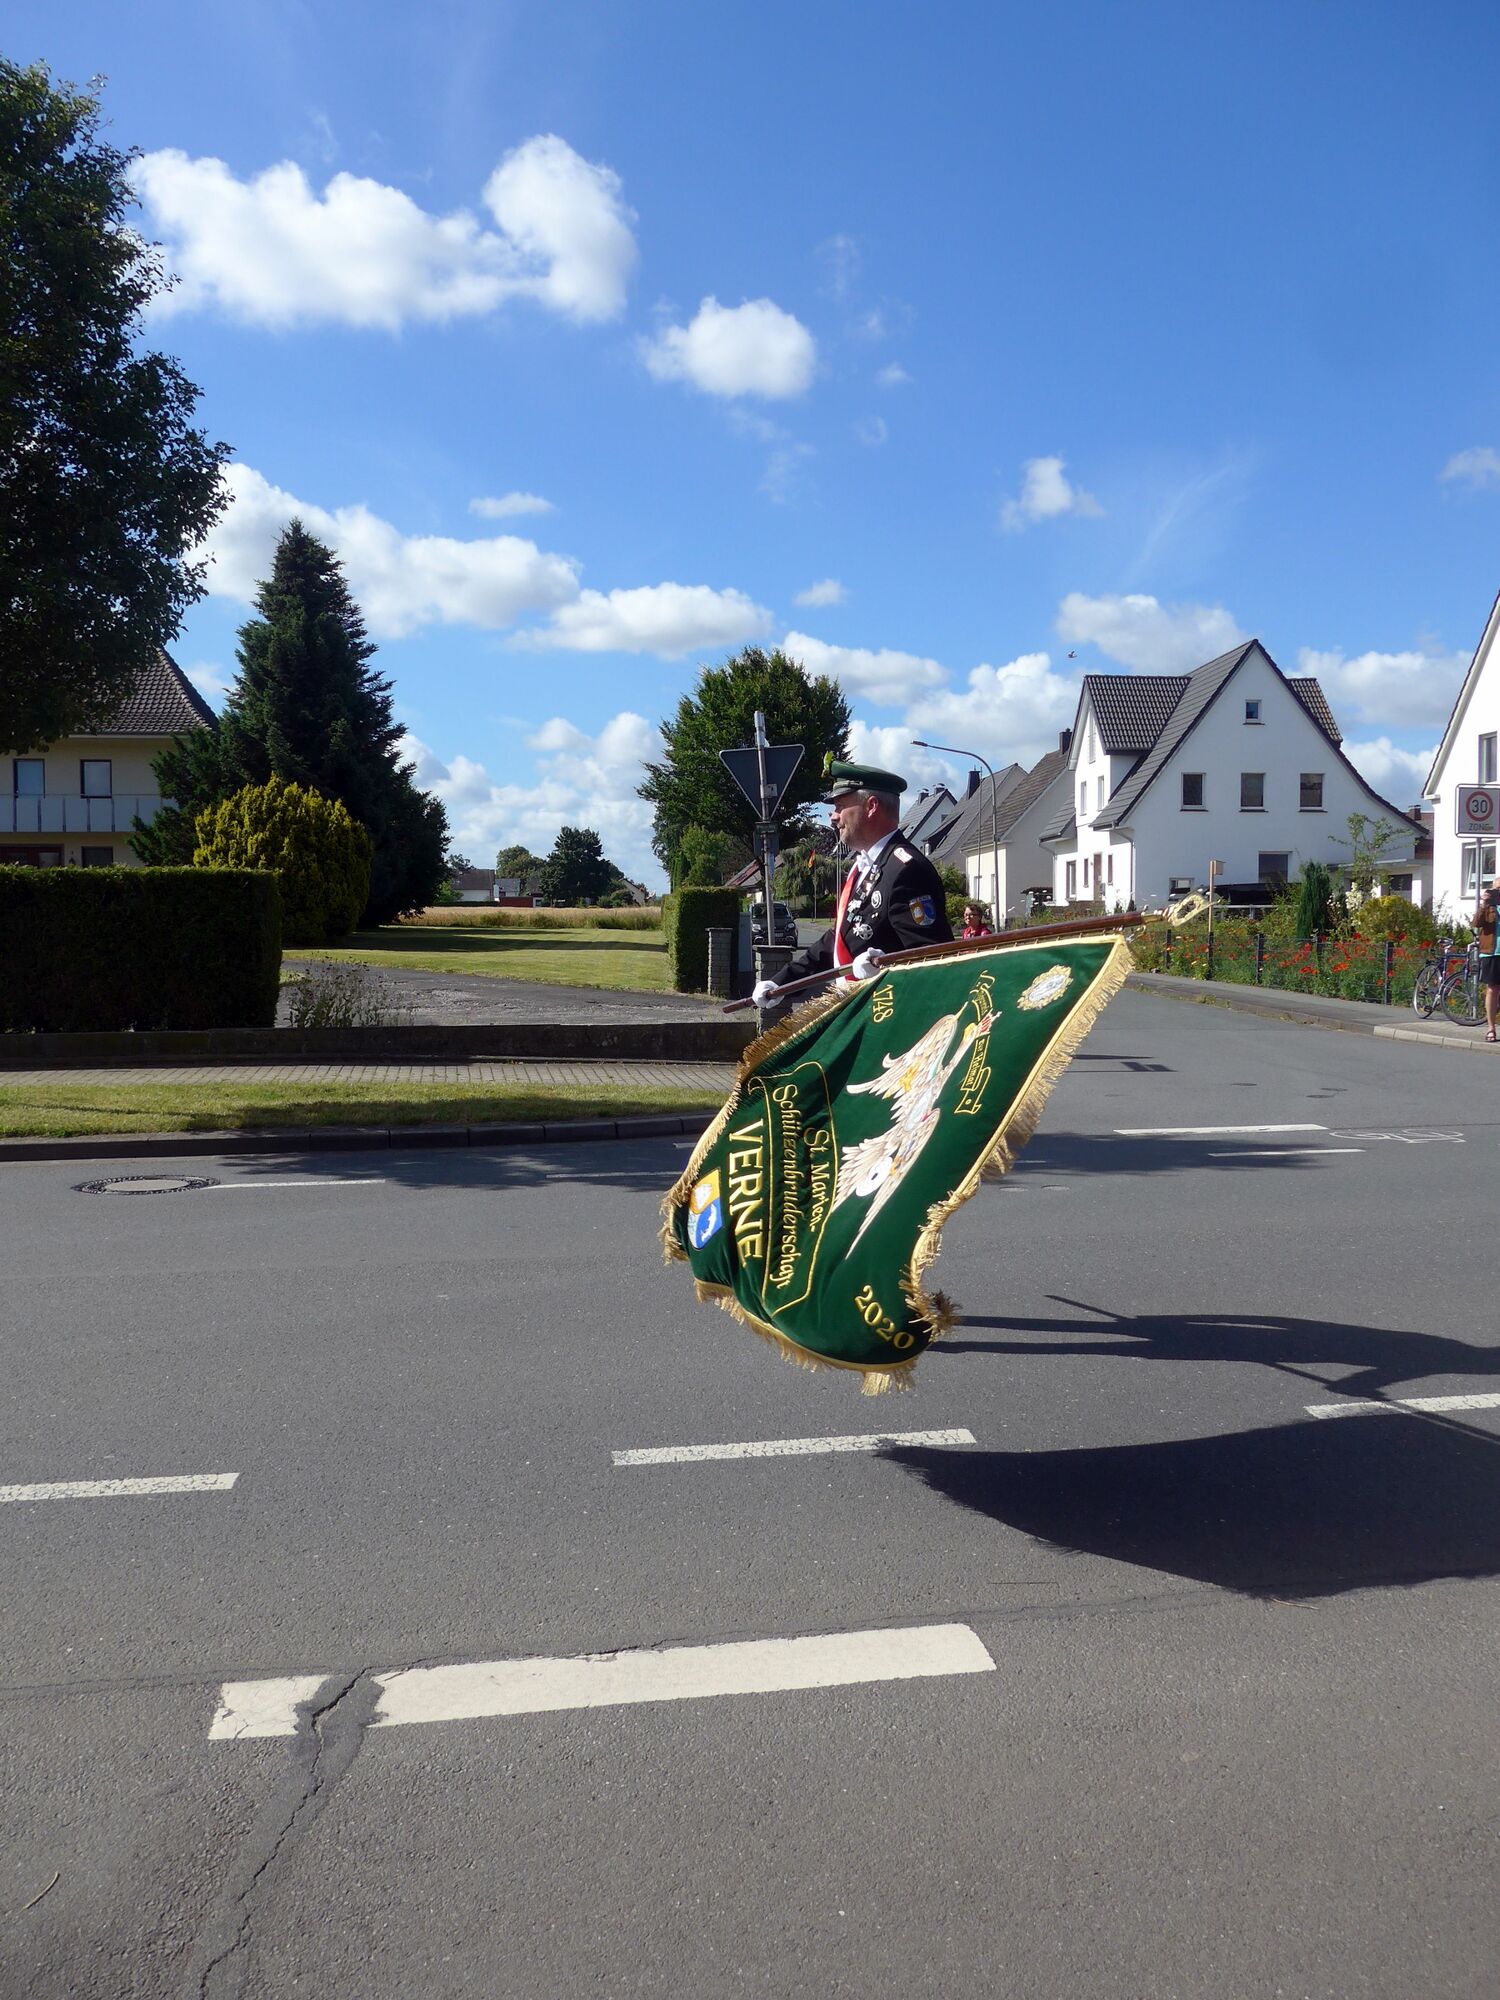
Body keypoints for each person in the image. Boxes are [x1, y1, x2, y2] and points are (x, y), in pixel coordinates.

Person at [751, 758, 954, 1009]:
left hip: (890, 1013)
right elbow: (839, 939)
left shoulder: (907, 869)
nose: (833, 817)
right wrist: (780, 983)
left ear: (871, 806)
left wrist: (885, 967)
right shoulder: (863, 867)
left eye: (840, 806)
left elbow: (935, 959)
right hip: (860, 1010)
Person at [1477, 872, 1500, 1041]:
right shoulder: (1488, 907)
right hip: (1492, 952)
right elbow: (1476, 923)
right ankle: (1491, 1028)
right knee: (1492, 989)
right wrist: (1484, 903)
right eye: (1497, 889)